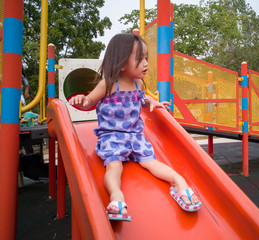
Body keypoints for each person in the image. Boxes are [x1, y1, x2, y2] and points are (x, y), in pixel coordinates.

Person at [68, 33, 201, 221]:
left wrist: (152, 102)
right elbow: (90, 100)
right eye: (140, 59)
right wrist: (82, 100)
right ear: (122, 63)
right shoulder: (108, 84)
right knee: (114, 166)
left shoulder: (138, 83)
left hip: (135, 136)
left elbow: (141, 98)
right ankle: (116, 196)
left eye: (146, 58)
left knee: (151, 162)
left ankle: (179, 182)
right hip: (112, 136)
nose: (146, 63)